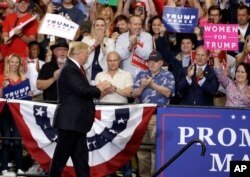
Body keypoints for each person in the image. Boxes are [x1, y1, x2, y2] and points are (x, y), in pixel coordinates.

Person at [49, 41, 111, 177]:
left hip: (76, 123)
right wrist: (98, 88)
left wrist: (100, 92)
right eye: (86, 53)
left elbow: (81, 93)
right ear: (78, 54)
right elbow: (81, 90)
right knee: (61, 158)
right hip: (70, 122)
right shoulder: (70, 68)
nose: (87, 56)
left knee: (81, 159)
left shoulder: (75, 68)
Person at [131, 50, 175, 177]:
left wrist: (151, 84)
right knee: (142, 149)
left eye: (155, 62)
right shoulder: (141, 74)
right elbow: (134, 94)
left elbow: (168, 93)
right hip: (142, 117)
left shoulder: (168, 75)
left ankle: (156, 175)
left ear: (161, 63)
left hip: (159, 116)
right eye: (150, 61)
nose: (152, 64)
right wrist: (142, 87)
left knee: (157, 149)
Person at [95, 51, 133, 177]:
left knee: (123, 145)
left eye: (115, 60)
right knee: (105, 145)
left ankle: (127, 173)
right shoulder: (100, 75)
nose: (112, 63)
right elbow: (96, 95)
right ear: (106, 61)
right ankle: (108, 174)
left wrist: (115, 89)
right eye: (110, 60)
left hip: (121, 115)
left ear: (119, 61)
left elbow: (129, 93)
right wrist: (106, 92)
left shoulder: (127, 74)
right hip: (104, 116)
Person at [0, 54, 26, 176]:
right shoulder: (2, 77)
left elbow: (26, 97)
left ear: (19, 64)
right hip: (5, 112)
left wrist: (29, 93)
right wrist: (2, 88)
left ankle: (20, 169)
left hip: (18, 113)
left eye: (17, 62)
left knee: (17, 140)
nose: (14, 64)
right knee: (5, 138)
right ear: (8, 63)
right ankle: (4, 169)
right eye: (12, 62)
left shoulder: (23, 78)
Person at [81, 18, 115, 84]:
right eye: (97, 25)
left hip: (103, 70)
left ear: (105, 27)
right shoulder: (86, 39)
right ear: (93, 27)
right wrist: (94, 45)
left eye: (102, 25)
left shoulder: (110, 41)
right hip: (88, 70)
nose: (100, 27)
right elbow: (82, 54)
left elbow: (110, 56)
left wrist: (101, 43)